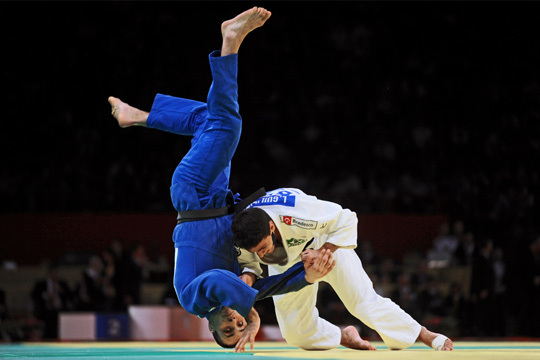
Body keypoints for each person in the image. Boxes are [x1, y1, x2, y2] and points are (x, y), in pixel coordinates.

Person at [108, 7, 334, 352]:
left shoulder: (194, 300)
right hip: (218, 198)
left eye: (225, 329)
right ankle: (138, 116)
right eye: (237, 327)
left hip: (193, 196)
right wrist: (306, 276)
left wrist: (252, 312)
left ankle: (230, 41)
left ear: (210, 328)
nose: (233, 322)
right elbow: (271, 287)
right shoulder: (244, 292)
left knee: (227, 125)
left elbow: (217, 280)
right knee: (208, 119)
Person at [233, 188, 454, 351]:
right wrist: (249, 275)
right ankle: (342, 335)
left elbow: (347, 218)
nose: (261, 254)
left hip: (321, 242)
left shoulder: (299, 213)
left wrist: (324, 251)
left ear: (271, 227)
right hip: (287, 260)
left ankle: (423, 334)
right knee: (294, 332)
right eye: (256, 251)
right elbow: (249, 260)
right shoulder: (243, 230)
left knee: (362, 301)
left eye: (263, 248)